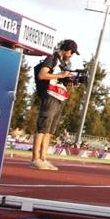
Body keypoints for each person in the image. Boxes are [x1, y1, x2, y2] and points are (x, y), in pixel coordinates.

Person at [32, 39, 79, 170]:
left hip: (59, 97)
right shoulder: (52, 58)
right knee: (42, 128)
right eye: (72, 52)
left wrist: (68, 81)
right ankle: (35, 158)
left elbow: (60, 78)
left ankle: (43, 158)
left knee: (50, 131)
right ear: (67, 50)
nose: (71, 55)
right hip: (50, 95)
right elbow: (42, 75)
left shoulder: (64, 64)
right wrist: (60, 75)